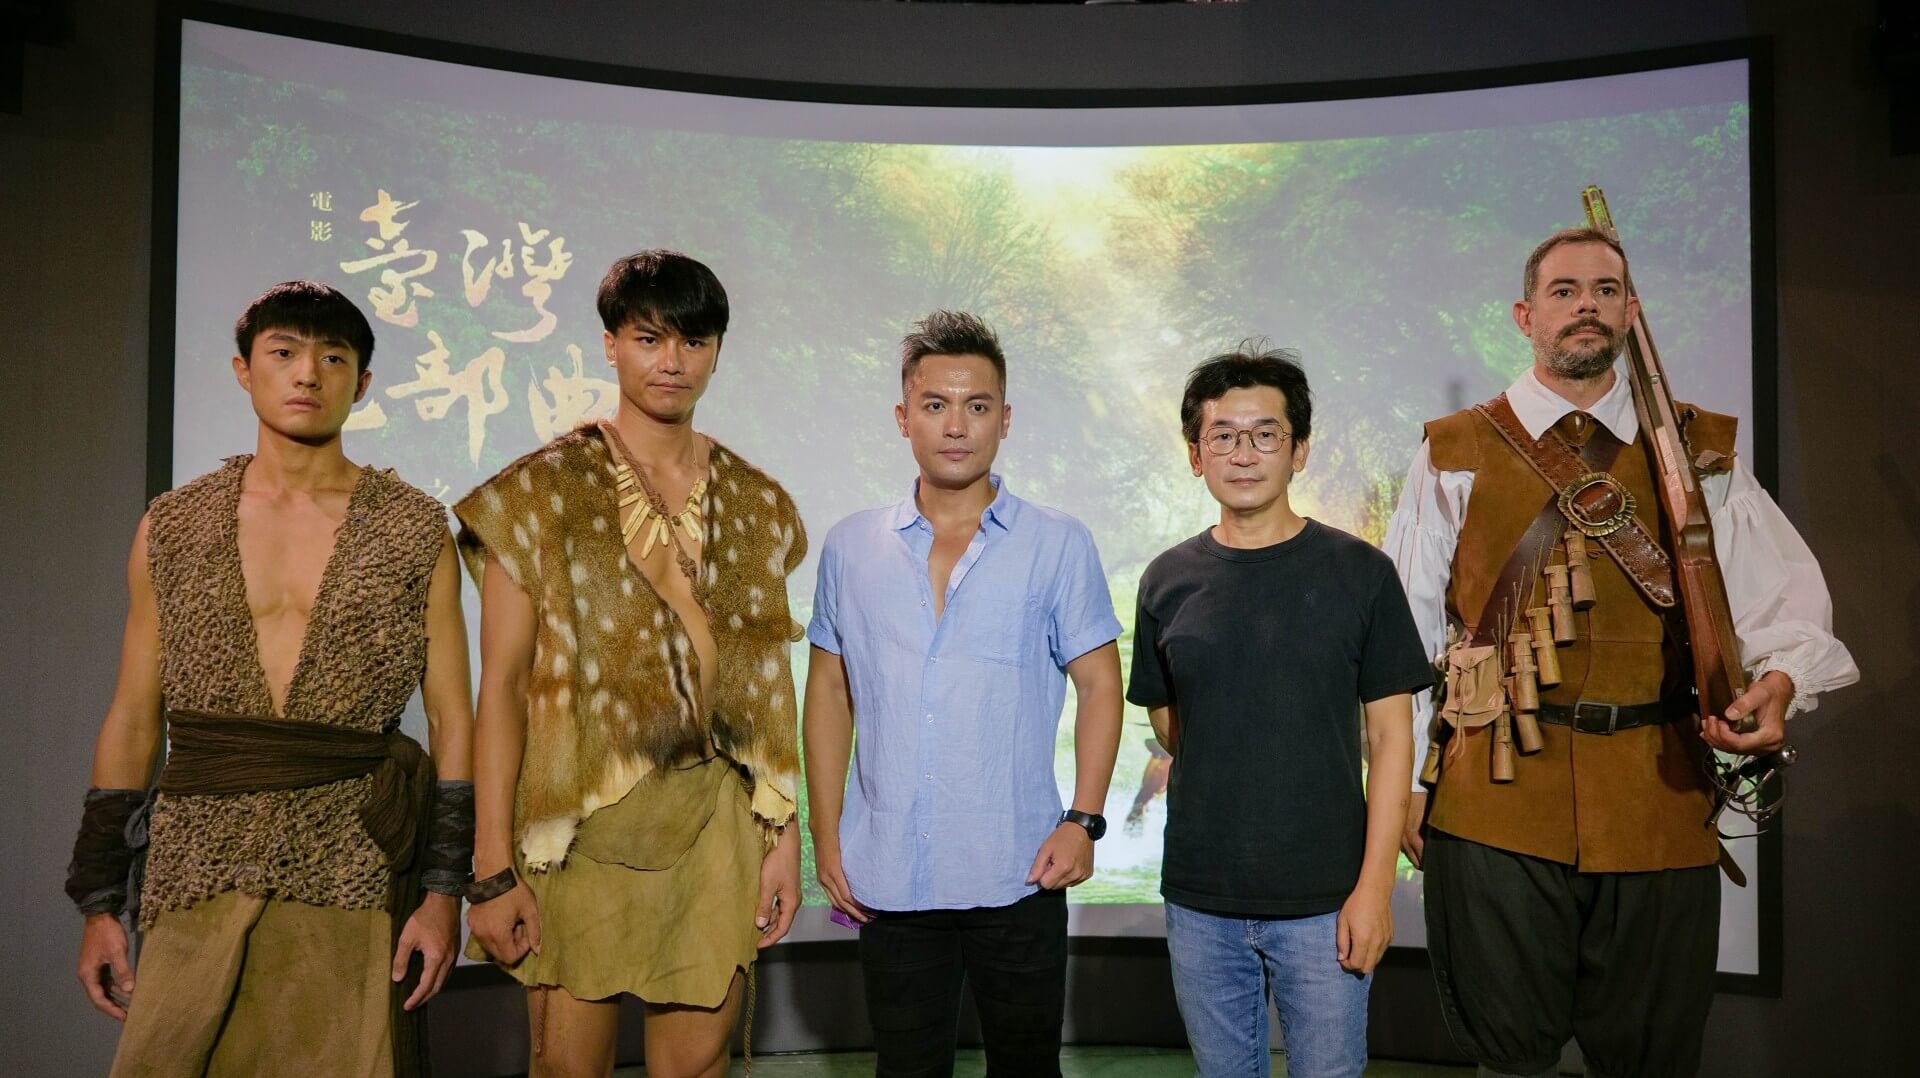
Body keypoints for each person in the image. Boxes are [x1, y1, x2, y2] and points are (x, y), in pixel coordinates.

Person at [1384, 228, 1860, 1078]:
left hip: (1659, 795)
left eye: (1606, 291)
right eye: (1564, 291)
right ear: (1526, 315)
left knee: (1651, 1057)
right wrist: (1404, 788)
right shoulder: (1452, 449)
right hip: (1492, 795)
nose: (1586, 306)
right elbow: (1405, 632)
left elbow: (1780, 597)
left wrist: (1782, 680)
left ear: (1631, 314)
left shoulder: (1697, 448)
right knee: (1509, 1056)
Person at [68, 281, 475, 1077]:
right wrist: (98, 900)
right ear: (243, 369)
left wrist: (442, 893)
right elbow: (133, 718)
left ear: (362, 382)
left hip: (351, 854)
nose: (307, 374)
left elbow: (455, 719)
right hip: (196, 857)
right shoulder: (174, 524)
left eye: (333, 358)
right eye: (284, 352)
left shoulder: (413, 528)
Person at [456, 250, 807, 1078]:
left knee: (697, 1068)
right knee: (566, 1069)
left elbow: (766, 689)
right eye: (650, 338)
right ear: (611, 344)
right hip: (577, 823)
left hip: (717, 816)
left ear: (716, 352)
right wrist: (490, 869)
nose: (672, 361)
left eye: (693, 341)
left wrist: (783, 840)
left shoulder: (756, 502)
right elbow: (500, 690)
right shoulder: (536, 493)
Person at [803, 310, 1124, 1078]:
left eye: (977, 406)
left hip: (1020, 870)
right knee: (905, 1069)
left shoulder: (1058, 542)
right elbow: (830, 691)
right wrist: (825, 831)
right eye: (936, 404)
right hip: (890, 874)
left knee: (1028, 1069)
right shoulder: (851, 545)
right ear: (903, 417)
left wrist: (1083, 820)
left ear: (1004, 419)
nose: (956, 426)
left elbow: (1100, 684)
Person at [1127, 346, 1431, 1078]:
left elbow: (1393, 740)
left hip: (1328, 900)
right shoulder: (1167, 580)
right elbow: (1170, 726)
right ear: (1196, 455)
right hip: (1200, 900)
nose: (1244, 453)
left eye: (1265, 434)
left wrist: (1375, 888)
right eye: (1223, 435)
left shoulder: (1361, 574)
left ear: (1299, 450)